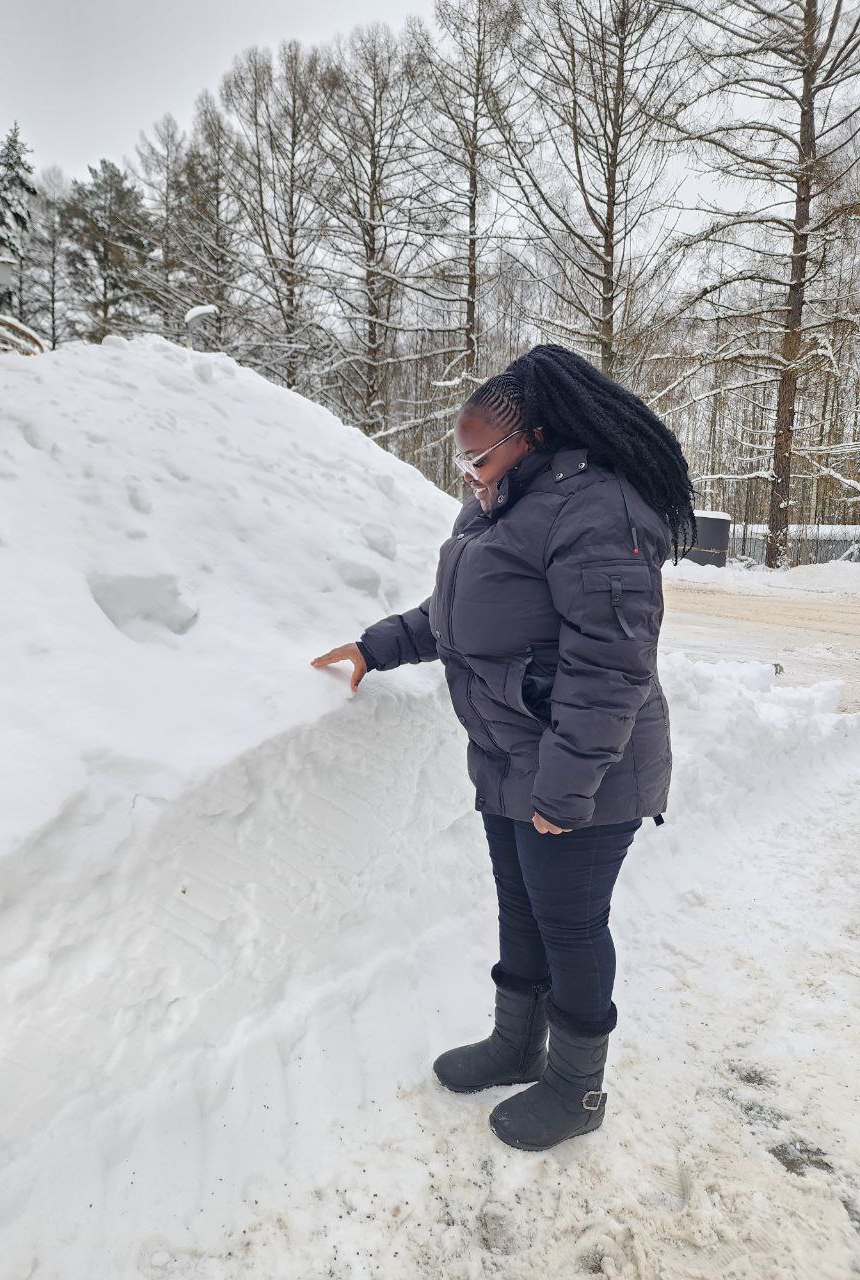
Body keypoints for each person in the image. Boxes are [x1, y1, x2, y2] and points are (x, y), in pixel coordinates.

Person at [309, 343, 697, 1152]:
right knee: (522, 909)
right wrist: (373, 647)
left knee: (570, 925)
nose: (469, 474)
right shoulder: (502, 502)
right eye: (462, 461)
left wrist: (564, 790)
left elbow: (612, 666)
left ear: (538, 435)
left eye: (480, 457)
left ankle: (576, 1087)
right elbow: (460, 611)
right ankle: (518, 1045)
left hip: (588, 771)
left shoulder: (599, 510)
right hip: (511, 760)